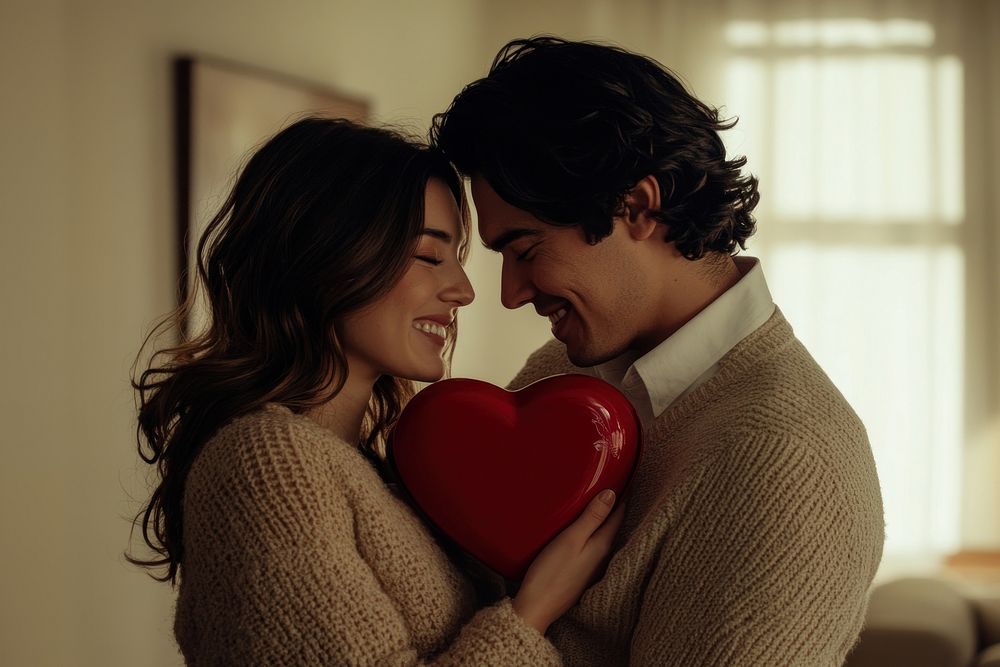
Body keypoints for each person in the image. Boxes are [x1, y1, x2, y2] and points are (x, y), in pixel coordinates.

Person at [432, 37, 885, 666]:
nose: (509, 294)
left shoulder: (787, 459)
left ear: (639, 208)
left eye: (526, 250)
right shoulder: (560, 371)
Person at [129, 117, 625, 665]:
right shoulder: (266, 462)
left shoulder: (369, 470)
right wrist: (533, 611)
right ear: (327, 256)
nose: (463, 290)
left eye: (457, 258)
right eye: (429, 256)